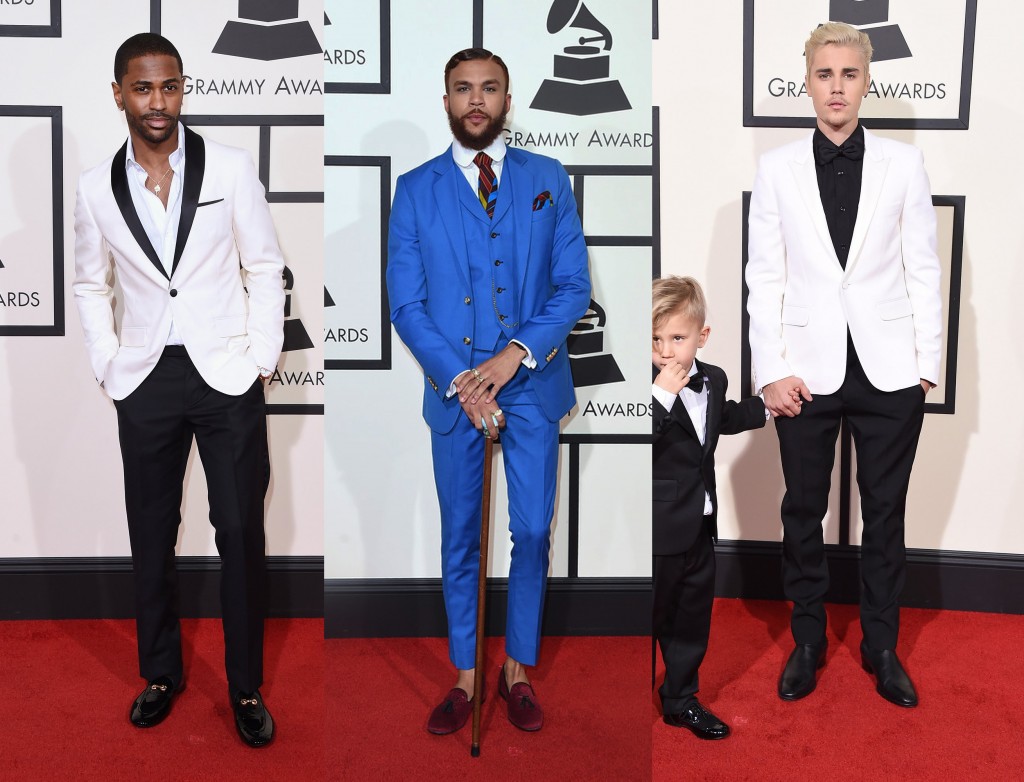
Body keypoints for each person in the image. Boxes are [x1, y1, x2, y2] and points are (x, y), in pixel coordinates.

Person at [73, 33, 285, 745]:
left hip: (225, 374)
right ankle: (160, 672)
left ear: (181, 89)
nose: (157, 102)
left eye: (168, 87)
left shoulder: (228, 166)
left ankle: (246, 686)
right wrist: (108, 363)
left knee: (240, 533)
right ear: (119, 94)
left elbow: (263, 265)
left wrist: (261, 356)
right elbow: (87, 280)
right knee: (152, 535)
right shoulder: (95, 187)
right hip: (145, 378)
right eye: (142, 89)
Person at [386, 47, 591, 735]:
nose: (477, 100)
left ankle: (518, 669)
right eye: (463, 89)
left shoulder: (547, 179)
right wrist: (462, 381)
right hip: (455, 394)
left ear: (509, 99)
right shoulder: (414, 189)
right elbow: (407, 306)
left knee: (533, 530)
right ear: (444, 101)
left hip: (532, 382)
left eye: (490, 89)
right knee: (460, 537)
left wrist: (511, 357)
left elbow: (572, 288)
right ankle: (468, 674)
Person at [746, 22, 942, 707]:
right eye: (824, 74)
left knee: (884, 515)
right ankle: (806, 642)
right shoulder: (775, 168)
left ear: (866, 80)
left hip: (890, 372)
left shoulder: (904, 164)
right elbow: (763, 277)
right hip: (803, 369)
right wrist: (768, 368)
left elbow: (924, 267)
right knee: (803, 511)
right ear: (808, 82)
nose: (836, 87)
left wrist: (927, 367)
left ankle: (881, 646)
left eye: (849, 74)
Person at [652, 276, 766, 739]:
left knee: (691, 616)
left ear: (701, 337)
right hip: (655, 530)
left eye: (677, 338)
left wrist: (770, 406)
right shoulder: (642, 388)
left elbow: (727, 418)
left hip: (700, 523)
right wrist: (660, 395)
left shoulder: (712, 379)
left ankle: (680, 698)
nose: (665, 351)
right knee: (650, 615)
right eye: (655, 339)